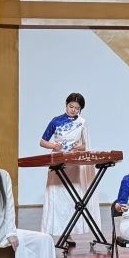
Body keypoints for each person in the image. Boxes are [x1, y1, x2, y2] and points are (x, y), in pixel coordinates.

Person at [38, 92, 97, 246]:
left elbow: (85, 145)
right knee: (56, 196)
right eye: (71, 106)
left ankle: (68, 234)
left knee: (72, 198)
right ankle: (50, 233)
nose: (73, 110)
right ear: (66, 105)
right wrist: (54, 145)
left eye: (77, 108)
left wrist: (79, 147)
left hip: (73, 163)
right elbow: (42, 141)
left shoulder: (82, 122)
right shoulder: (56, 121)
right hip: (58, 161)